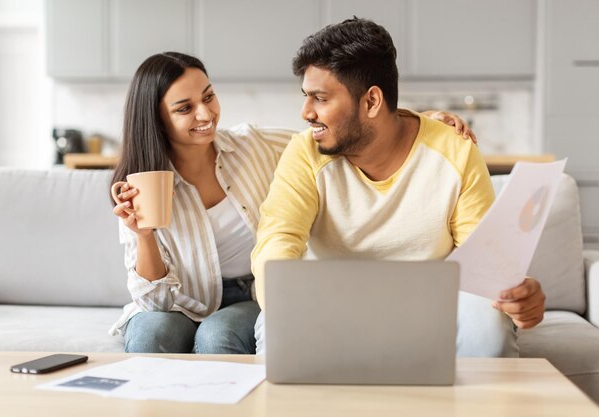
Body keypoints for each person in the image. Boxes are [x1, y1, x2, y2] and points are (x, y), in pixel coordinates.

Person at [108, 51, 472, 354]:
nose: (205, 115)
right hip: (178, 298)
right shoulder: (139, 184)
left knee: (217, 336)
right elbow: (154, 301)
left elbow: (340, 129)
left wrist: (420, 123)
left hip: (246, 294)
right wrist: (143, 235)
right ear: (156, 119)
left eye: (208, 97)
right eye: (185, 108)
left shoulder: (252, 146)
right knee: (149, 336)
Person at [251, 18, 546, 357]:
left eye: (320, 98)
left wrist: (514, 296)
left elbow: (483, 264)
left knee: (488, 322)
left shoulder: (453, 150)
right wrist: (285, 295)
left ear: (372, 102)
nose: (306, 112)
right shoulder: (305, 152)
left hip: (430, 307)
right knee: (277, 321)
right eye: (306, 97)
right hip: (329, 305)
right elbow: (278, 238)